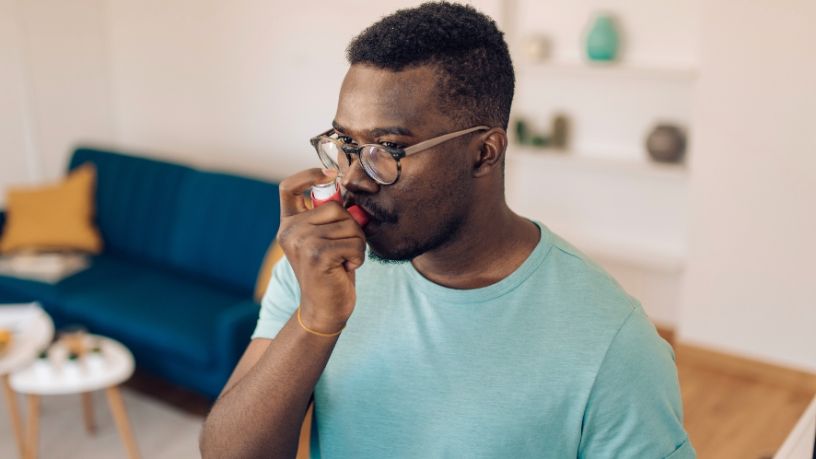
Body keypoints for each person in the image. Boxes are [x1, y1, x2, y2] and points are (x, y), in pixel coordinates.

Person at [200, 3, 695, 458]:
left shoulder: (614, 343)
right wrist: (315, 320)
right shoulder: (320, 274)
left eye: (386, 150)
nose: (351, 180)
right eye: (346, 144)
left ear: (484, 153)